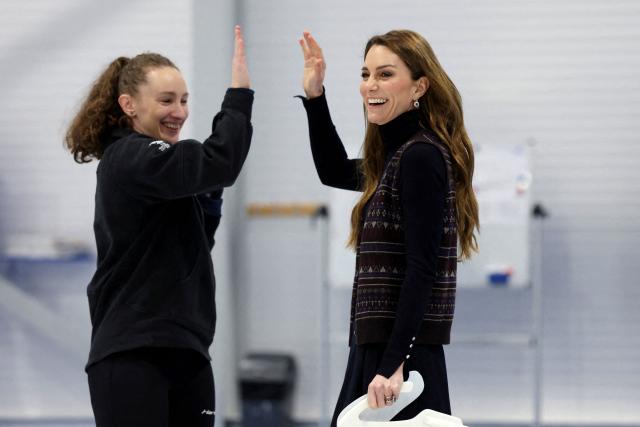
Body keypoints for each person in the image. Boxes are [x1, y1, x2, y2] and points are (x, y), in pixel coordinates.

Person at [65, 26, 252, 426]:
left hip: (186, 350)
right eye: (166, 100)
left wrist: (210, 199)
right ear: (129, 104)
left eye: (184, 100)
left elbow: (191, 245)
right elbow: (219, 162)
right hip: (133, 355)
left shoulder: (160, 171)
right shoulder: (129, 157)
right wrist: (239, 96)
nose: (180, 111)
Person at [298, 29, 479, 424]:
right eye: (365, 75)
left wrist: (395, 363)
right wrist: (315, 97)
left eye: (384, 74)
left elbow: (421, 268)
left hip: (398, 359)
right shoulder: (397, 158)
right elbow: (333, 171)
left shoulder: (420, 157)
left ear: (419, 86)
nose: (370, 86)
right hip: (383, 349)